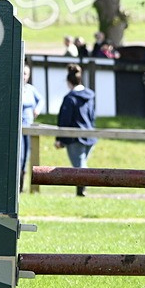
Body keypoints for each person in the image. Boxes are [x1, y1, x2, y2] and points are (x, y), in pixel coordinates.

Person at [54, 64, 97, 197]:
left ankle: (81, 192)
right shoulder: (90, 96)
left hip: (75, 137)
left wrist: (60, 139)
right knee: (81, 164)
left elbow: (65, 120)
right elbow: (92, 115)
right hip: (89, 135)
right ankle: (81, 190)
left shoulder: (70, 98)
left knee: (79, 166)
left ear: (69, 82)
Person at [19, 63, 43, 190]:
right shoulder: (16, 89)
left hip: (29, 127)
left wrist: (37, 110)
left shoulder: (30, 89)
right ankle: (18, 185)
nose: (23, 76)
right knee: (20, 155)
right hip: (19, 128)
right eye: (21, 73)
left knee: (27, 155)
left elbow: (41, 100)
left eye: (25, 74)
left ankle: (23, 185)